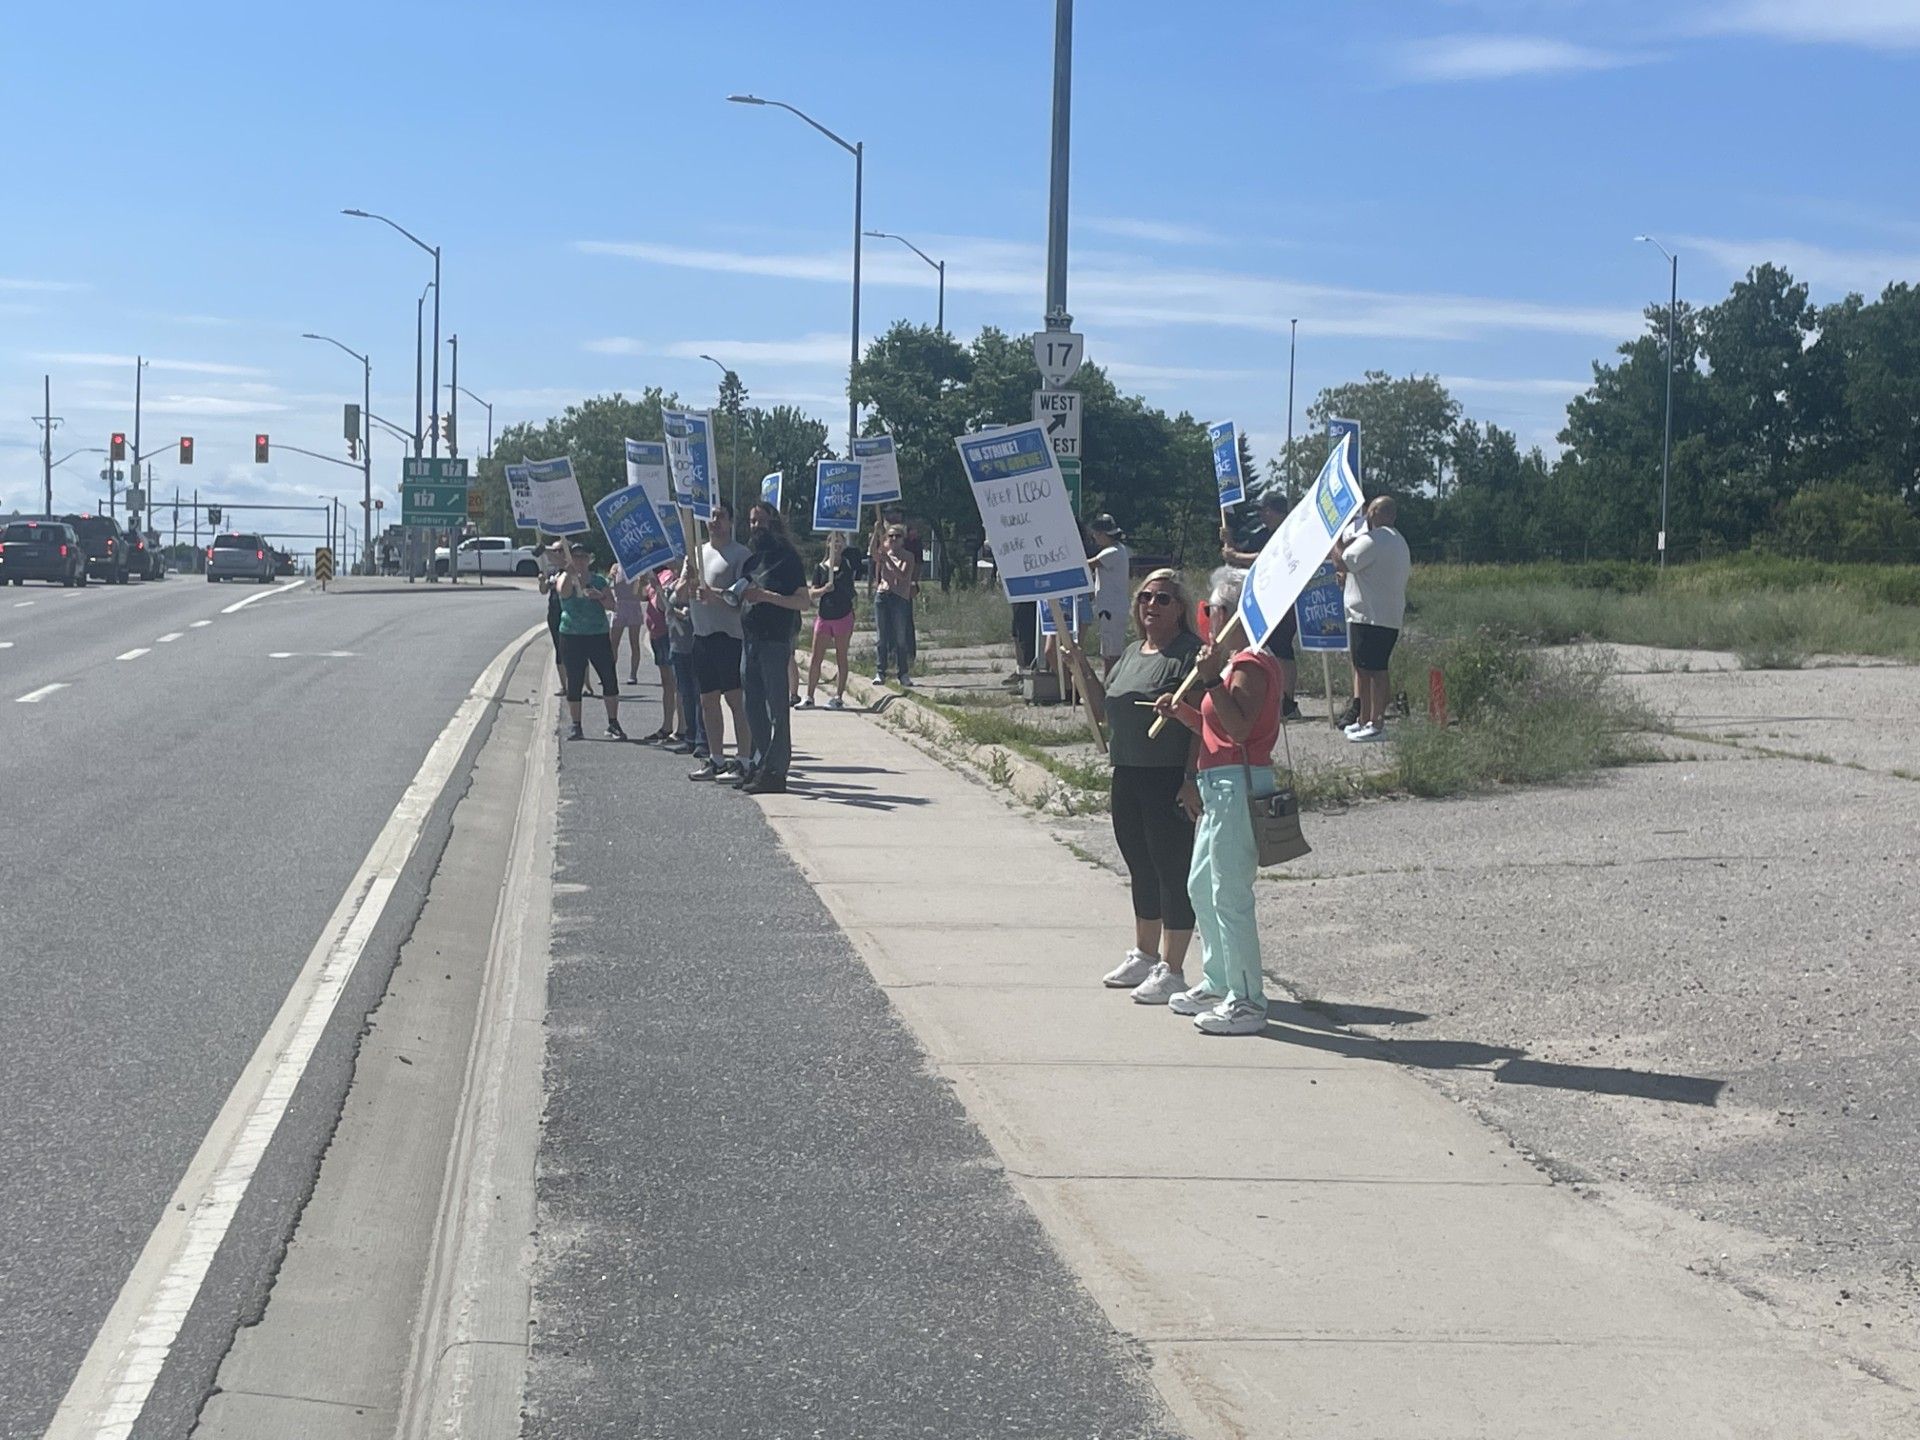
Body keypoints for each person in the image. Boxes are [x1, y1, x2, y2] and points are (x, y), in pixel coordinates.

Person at [1060, 569, 1204, 1005]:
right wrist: (1080, 666)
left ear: (1180, 607)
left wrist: (1191, 778)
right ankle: (1144, 952)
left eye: (1162, 599)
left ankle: (1173, 968)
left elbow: (1202, 723)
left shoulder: (1190, 656)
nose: (1151, 607)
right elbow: (1105, 709)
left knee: (1171, 868)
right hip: (1127, 771)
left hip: (1168, 776)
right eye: (1145, 599)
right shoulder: (1130, 652)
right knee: (1140, 864)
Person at [1153, 568, 1283, 1036]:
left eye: (1212, 611)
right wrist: (1184, 712)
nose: (1208, 619)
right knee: (1201, 886)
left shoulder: (1250, 663)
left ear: (1229, 614)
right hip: (1218, 782)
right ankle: (1220, 979)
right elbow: (1217, 729)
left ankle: (1248, 998)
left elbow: (1243, 729)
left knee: (1229, 894)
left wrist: (1210, 683)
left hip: (1238, 785)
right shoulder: (1231, 664)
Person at [737, 502, 808, 794]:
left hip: (775, 642)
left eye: (762, 521)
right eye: (753, 522)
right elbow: (739, 595)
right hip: (749, 641)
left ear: (773, 523)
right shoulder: (751, 561)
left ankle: (777, 771)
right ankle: (763, 763)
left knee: (777, 708)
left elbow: (802, 601)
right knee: (751, 706)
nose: (756, 527)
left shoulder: (787, 559)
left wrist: (766, 596)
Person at [1333, 495, 1411, 743]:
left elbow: (1344, 561)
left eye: (1372, 511)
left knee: (1375, 670)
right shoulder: (1398, 541)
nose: (1367, 515)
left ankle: (1376, 722)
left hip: (1371, 616)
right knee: (1364, 669)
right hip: (1378, 615)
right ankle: (1364, 719)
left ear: (1379, 514)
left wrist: (1335, 542)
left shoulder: (1374, 540)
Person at [1221, 492, 1301, 721]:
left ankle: (1288, 700)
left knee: (1283, 647)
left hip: (1286, 597)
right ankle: (1275, 696)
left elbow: (1266, 557)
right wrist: (1230, 542)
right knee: (1267, 646)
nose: (1261, 515)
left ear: (1275, 511)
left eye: (1264, 510)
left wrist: (1235, 554)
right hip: (1266, 597)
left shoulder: (1289, 533)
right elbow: (1242, 553)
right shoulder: (1262, 534)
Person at [689, 501, 752, 780]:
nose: (714, 521)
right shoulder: (697, 552)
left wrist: (713, 594)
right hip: (701, 634)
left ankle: (744, 760)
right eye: (711, 516)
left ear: (730, 521)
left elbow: (742, 596)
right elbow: (681, 591)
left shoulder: (740, 555)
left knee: (736, 701)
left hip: (729, 637)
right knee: (708, 701)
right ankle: (716, 758)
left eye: (721, 516)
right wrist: (683, 585)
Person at [557, 542, 624, 741]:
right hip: (572, 634)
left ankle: (613, 722)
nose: (579, 561)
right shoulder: (564, 577)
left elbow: (613, 605)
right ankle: (576, 725)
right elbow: (564, 592)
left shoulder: (598, 580)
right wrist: (570, 575)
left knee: (608, 677)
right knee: (575, 679)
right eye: (576, 557)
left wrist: (600, 596)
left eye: (583, 557)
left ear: (588, 559)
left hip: (597, 633)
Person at [803, 530, 857, 709]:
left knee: (841, 657)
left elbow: (851, 591)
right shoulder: (820, 568)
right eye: (834, 542)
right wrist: (824, 590)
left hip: (843, 616)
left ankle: (839, 696)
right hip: (824, 616)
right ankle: (809, 696)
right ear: (828, 544)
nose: (837, 545)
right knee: (816, 657)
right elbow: (812, 593)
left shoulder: (847, 566)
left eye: (840, 542)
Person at [662, 566, 706, 758]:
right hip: (677, 646)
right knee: (685, 694)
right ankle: (689, 737)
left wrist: (682, 614)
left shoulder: (695, 582)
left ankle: (702, 740)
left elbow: (685, 602)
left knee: (699, 696)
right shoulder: (673, 582)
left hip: (694, 646)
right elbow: (662, 605)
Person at [870, 519, 918, 686]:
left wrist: (888, 561)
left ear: (902, 539)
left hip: (899, 598)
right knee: (881, 637)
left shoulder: (908, 556)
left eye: (897, 536)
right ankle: (880, 672)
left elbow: (903, 575)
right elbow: (872, 554)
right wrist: (876, 533)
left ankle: (903, 673)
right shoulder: (883, 553)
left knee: (900, 637)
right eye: (890, 536)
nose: (893, 539)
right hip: (883, 596)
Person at [1086, 515, 1133, 676]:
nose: (1095, 537)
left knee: (1111, 651)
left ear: (1105, 534)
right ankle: (1109, 682)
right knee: (1107, 649)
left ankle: (1111, 682)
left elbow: (1088, 565)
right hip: (1110, 606)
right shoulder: (1118, 550)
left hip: (1112, 607)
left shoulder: (1112, 552)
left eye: (1097, 534)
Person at [636, 568, 678, 743]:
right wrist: (641, 581)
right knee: (667, 683)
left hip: (668, 635)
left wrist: (657, 584)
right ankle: (667, 725)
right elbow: (640, 596)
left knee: (676, 683)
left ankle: (680, 728)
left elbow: (664, 604)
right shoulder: (659, 575)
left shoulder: (671, 576)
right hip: (656, 635)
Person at [536, 540, 576, 697]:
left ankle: (582, 683)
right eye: (554, 551)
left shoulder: (572, 568)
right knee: (559, 649)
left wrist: (545, 551)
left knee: (574, 650)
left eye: (559, 550)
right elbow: (543, 590)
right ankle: (564, 685)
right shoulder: (552, 572)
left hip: (571, 614)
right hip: (554, 613)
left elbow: (563, 563)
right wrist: (542, 582)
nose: (556, 553)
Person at [607, 561, 649, 686]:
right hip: (619, 605)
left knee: (634, 642)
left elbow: (643, 595)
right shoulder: (616, 566)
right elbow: (610, 581)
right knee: (613, 642)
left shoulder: (639, 568)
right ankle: (609, 673)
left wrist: (642, 581)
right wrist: (612, 574)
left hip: (633, 605)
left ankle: (633, 674)